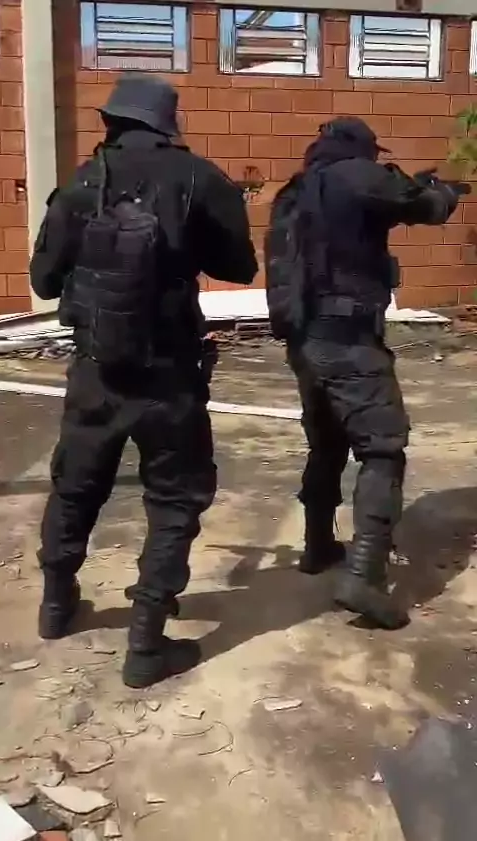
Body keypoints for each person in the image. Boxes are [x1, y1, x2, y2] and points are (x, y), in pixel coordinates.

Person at [30, 74, 257, 687]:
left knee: (76, 487)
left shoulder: (80, 184)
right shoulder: (200, 179)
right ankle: (146, 643)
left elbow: (43, 282)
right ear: (166, 124)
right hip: (170, 374)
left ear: (113, 121)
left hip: (96, 371)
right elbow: (240, 266)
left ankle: (56, 605)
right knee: (174, 499)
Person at [265, 116, 469, 630]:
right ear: (362, 150)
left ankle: (317, 546)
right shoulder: (357, 175)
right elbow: (425, 208)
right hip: (348, 339)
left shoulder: (296, 191)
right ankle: (365, 576)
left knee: (328, 443)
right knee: (382, 448)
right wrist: (445, 192)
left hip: (304, 341)